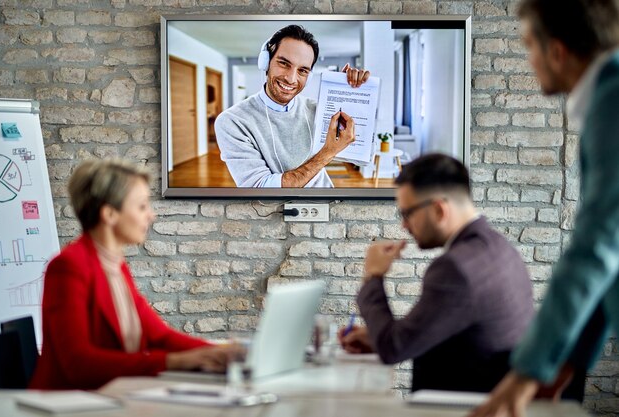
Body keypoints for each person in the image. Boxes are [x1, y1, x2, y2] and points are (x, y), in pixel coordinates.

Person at [470, 0, 619, 415]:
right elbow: (612, 263)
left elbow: (597, 248)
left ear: (556, 50)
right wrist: (565, 364)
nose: (529, 60)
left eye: (528, 46)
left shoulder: (613, 99)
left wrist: (527, 374)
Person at [30, 159, 236, 390]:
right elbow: (78, 364)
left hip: (111, 397)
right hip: (67, 404)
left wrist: (222, 352)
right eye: (141, 206)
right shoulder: (68, 267)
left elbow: (159, 336)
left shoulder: (115, 266)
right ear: (109, 214)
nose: (151, 215)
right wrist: (174, 362)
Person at [338, 154, 535, 393]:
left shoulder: (455, 268)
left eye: (407, 213)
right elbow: (459, 337)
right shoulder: (499, 247)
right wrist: (378, 337)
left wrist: (373, 276)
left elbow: (393, 349)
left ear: (439, 210)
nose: (404, 225)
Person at [215, 24, 369, 188]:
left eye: (303, 70)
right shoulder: (232, 121)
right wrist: (327, 153)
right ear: (266, 63)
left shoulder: (316, 109)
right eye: (284, 63)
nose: (291, 78)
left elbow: (358, 149)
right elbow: (260, 188)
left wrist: (350, 94)